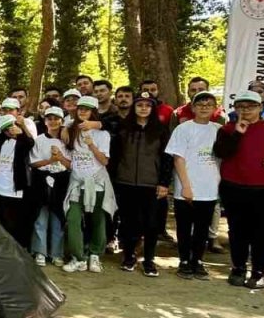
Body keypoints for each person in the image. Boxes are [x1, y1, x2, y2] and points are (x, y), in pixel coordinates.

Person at [214, 91, 264, 289]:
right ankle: (238, 267)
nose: (245, 110)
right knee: (237, 230)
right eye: (241, 107)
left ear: (260, 107)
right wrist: (238, 133)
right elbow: (222, 152)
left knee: (263, 232)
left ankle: (259, 270)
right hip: (234, 186)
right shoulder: (227, 129)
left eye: (250, 106)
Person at [110, 93, 172, 277]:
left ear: (153, 109)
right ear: (134, 107)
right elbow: (114, 156)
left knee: (151, 223)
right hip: (125, 182)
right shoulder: (123, 129)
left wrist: (163, 182)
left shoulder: (160, 130)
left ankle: (149, 260)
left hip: (151, 184)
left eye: (148, 105)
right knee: (129, 222)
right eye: (140, 105)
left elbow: (167, 158)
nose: (143, 108)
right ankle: (129, 256)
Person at [165, 90, 222, 280]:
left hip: (209, 187)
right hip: (186, 186)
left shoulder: (218, 129)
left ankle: (197, 260)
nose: (204, 108)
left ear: (215, 108)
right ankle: (183, 260)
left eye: (208, 105)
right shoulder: (183, 129)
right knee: (184, 227)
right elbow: (178, 158)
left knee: (202, 228)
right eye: (200, 105)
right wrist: (186, 185)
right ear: (193, 107)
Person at [61, 97, 116, 274]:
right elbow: (70, 160)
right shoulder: (71, 131)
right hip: (77, 183)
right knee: (73, 219)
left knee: (98, 220)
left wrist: (91, 144)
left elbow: (104, 161)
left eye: (87, 109)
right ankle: (78, 257)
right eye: (80, 109)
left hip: (98, 183)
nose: (83, 112)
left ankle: (95, 255)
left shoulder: (103, 134)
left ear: (94, 112)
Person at [0, 114, 35, 247]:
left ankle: (16, 248)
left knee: (14, 221)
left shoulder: (22, 142)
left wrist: (22, 128)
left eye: (12, 126)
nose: (10, 130)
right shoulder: (2, 140)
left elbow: (31, 143)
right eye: (6, 129)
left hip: (13, 189)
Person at [31, 107, 71, 266]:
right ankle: (40, 252)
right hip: (41, 179)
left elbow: (70, 165)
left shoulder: (67, 140)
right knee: (41, 217)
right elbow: (33, 162)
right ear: (45, 120)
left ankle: (56, 253)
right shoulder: (39, 139)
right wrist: (50, 161)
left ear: (61, 120)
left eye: (56, 118)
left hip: (61, 180)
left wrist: (59, 157)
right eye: (49, 118)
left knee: (58, 217)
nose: (53, 121)